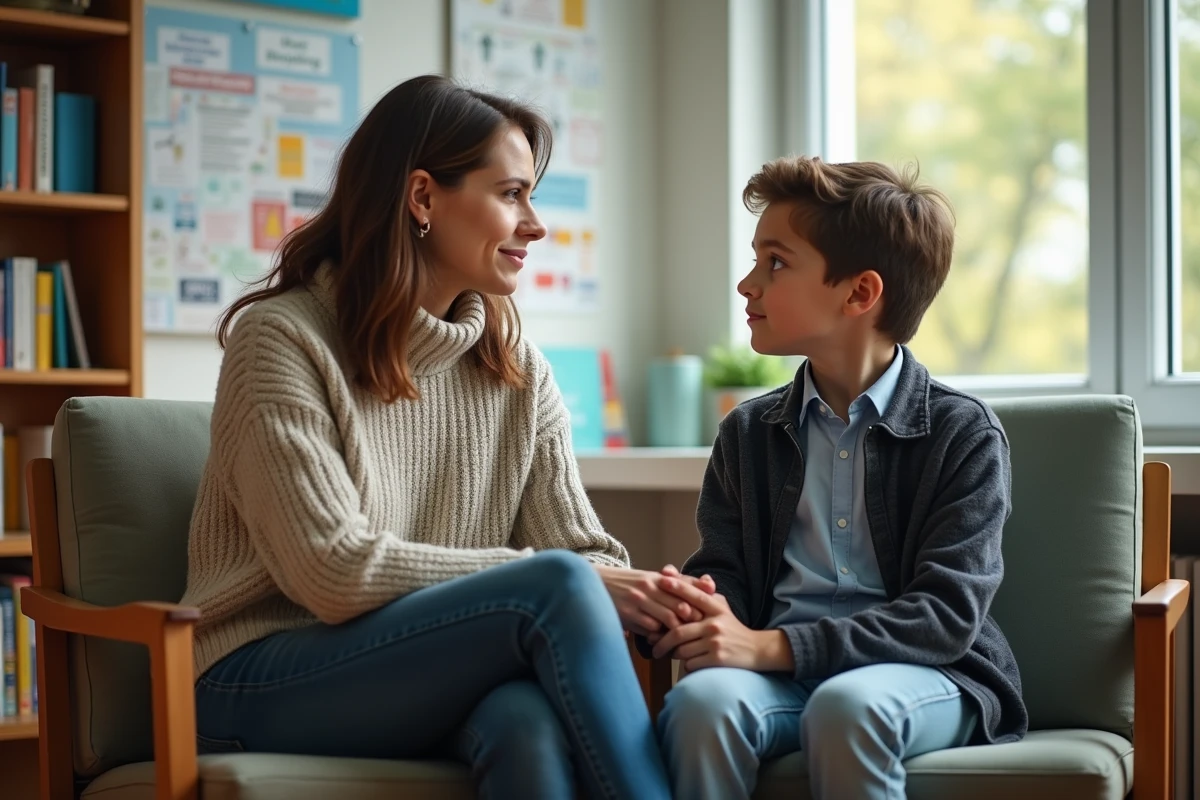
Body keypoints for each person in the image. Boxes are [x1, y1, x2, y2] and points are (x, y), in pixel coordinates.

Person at [180, 74, 707, 800]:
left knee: (522, 721)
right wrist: (569, 580)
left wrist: (655, 595)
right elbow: (331, 572)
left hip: (409, 668)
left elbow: (581, 551)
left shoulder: (513, 363)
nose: (535, 224)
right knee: (553, 584)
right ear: (423, 197)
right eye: (511, 193)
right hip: (255, 676)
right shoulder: (282, 339)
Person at [649, 156, 1028, 799]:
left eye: (776, 262)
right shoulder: (747, 432)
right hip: (779, 673)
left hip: (929, 673)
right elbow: (729, 571)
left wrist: (774, 649)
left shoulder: (963, 435)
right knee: (699, 707)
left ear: (859, 294)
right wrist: (700, 605)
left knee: (849, 707)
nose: (747, 284)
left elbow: (943, 616)